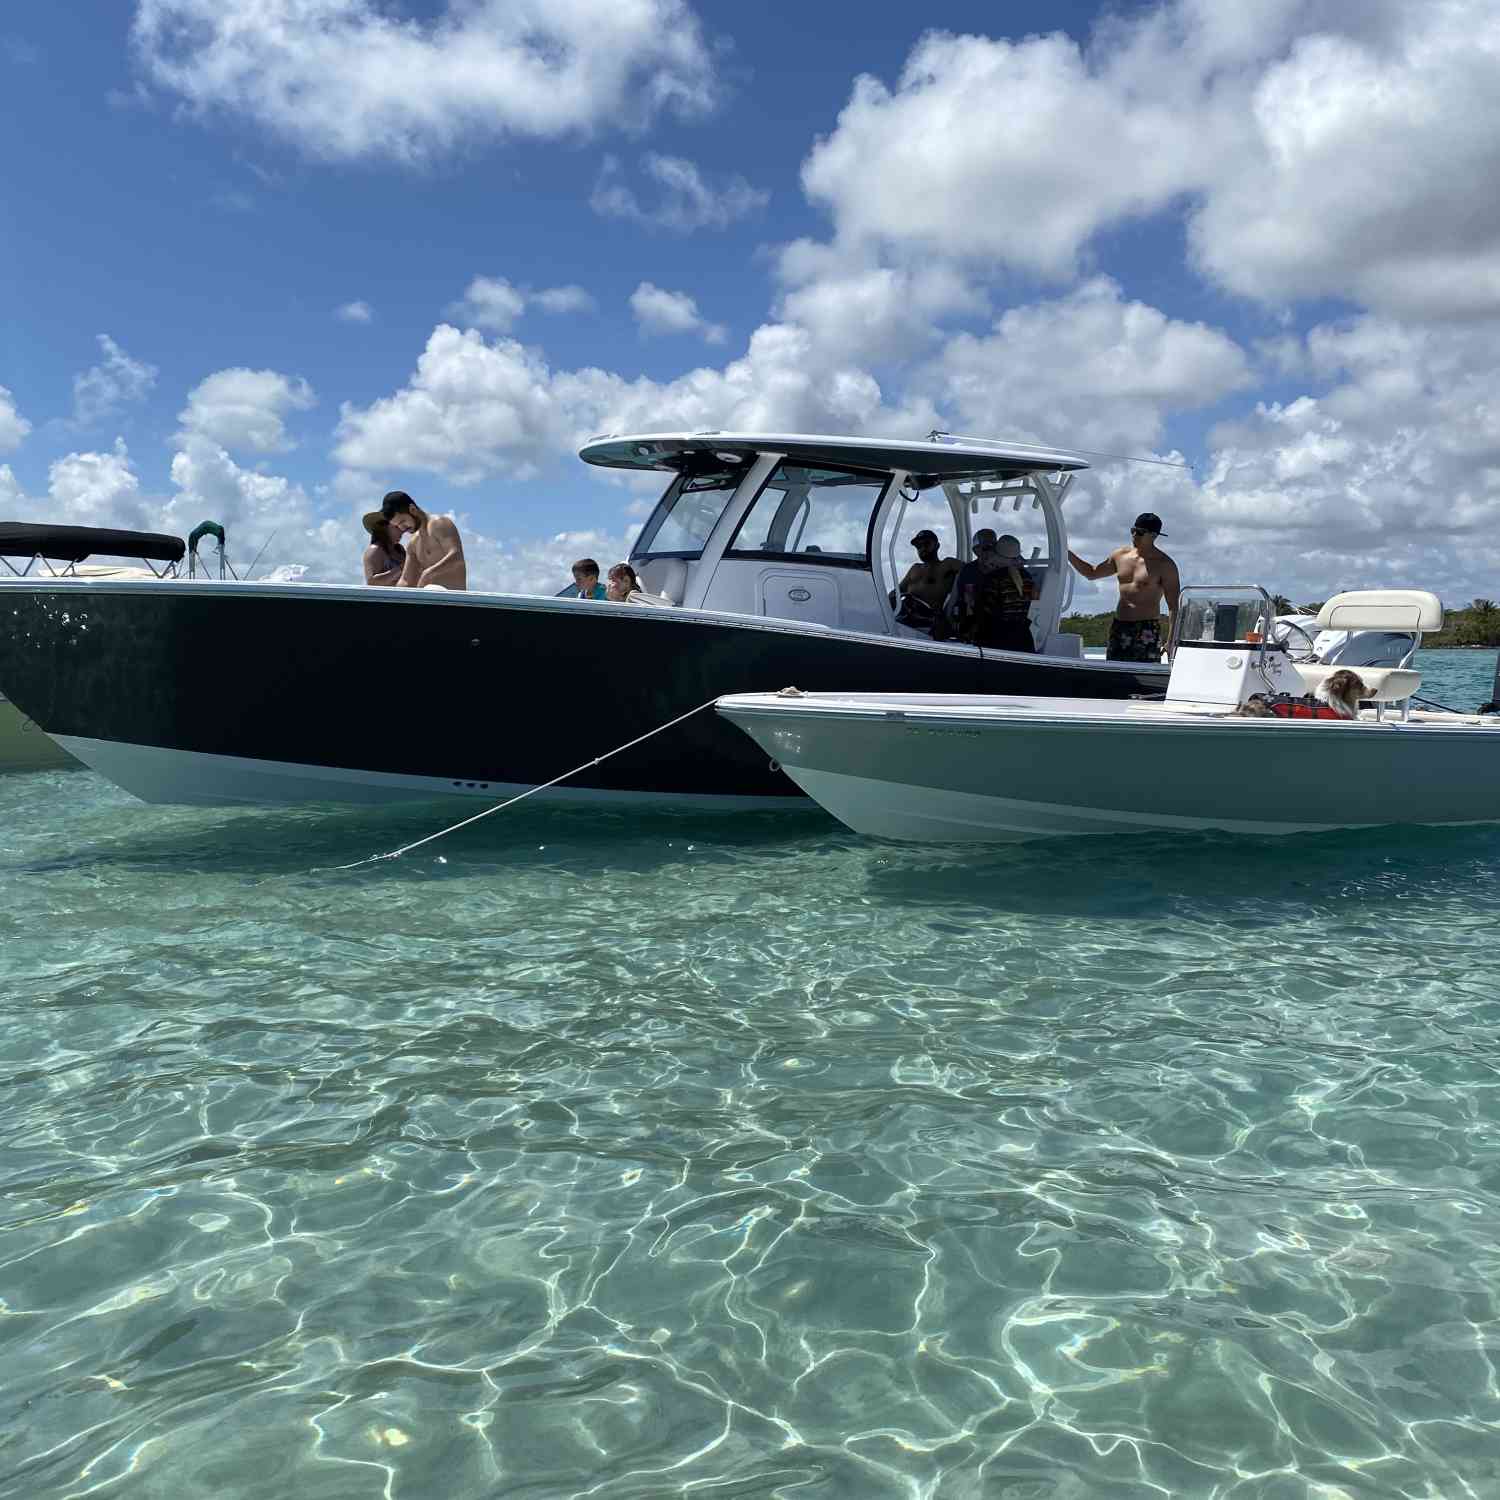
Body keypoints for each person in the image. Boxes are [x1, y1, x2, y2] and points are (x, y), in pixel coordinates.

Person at [1067, 511, 1180, 662]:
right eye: (1132, 530)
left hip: (1146, 630)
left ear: (1153, 535)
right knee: (1113, 675)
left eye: (1139, 533)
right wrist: (1067, 553)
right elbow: (1091, 573)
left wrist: (1171, 640)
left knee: (1143, 677)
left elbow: (1174, 606)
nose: (1134, 535)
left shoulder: (1165, 565)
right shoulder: (1120, 556)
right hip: (1119, 627)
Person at [953, 529, 1039, 652]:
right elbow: (1027, 605)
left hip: (997, 642)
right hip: (1024, 641)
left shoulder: (993, 579)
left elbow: (982, 612)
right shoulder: (1027, 578)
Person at [380, 490, 466, 590]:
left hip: (454, 601)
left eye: (403, 521)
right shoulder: (413, 544)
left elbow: (457, 557)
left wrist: (429, 573)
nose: (402, 528)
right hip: (429, 600)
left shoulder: (438, 524)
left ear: (412, 509)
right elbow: (406, 581)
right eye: (397, 526)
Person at [894, 529, 961, 627]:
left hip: (928, 624)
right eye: (918, 546)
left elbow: (972, 570)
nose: (922, 548)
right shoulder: (915, 568)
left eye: (927, 543)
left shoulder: (948, 565)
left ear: (937, 546)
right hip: (904, 618)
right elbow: (895, 593)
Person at [361, 511, 405, 586]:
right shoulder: (375, 550)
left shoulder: (400, 550)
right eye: (397, 527)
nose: (402, 531)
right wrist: (401, 568)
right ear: (384, 527)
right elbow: (372, 582)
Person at [606, 561, 671, 606]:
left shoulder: (633, 597)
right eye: (610, 580)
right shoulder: (619, 600)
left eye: (613, 580)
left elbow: (663, 608)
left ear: (627, 582)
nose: (609, 584)